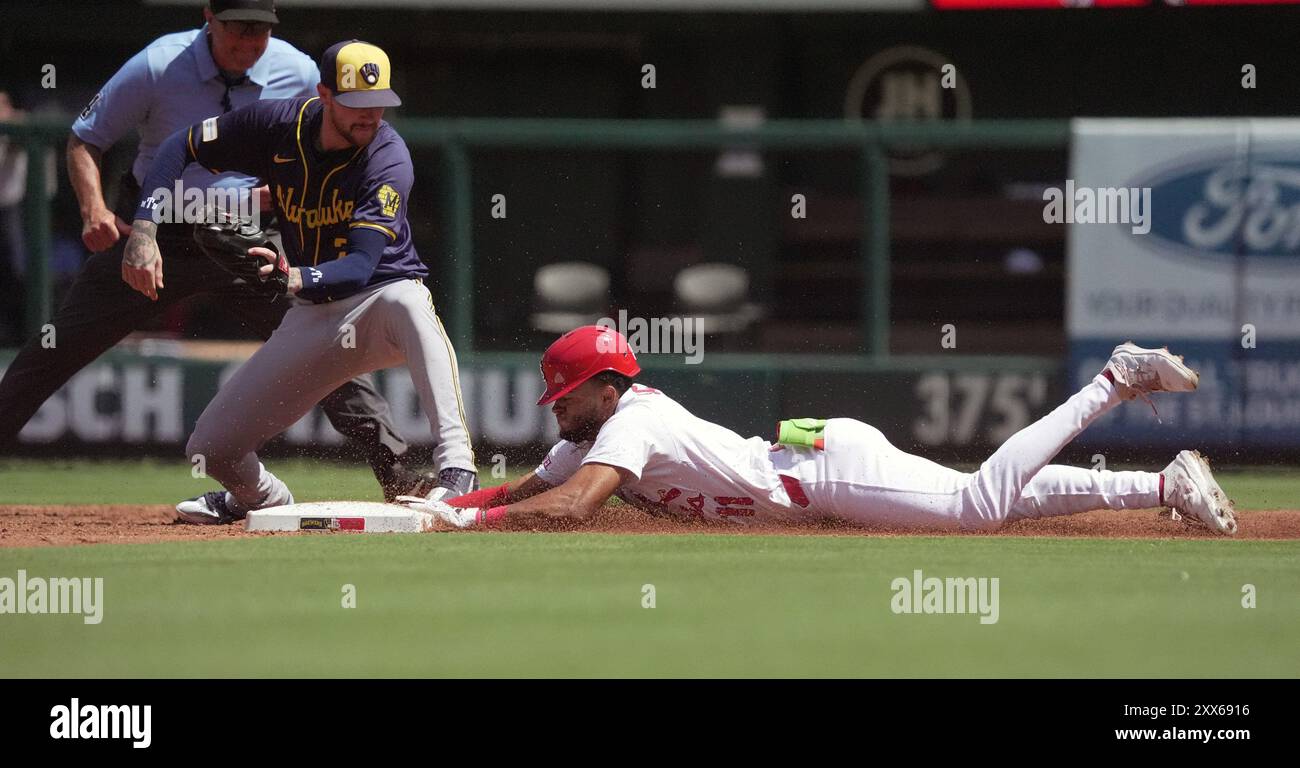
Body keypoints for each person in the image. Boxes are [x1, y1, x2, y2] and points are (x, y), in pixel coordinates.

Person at [0, 1, 449, 504]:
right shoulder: (158, 63)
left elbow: (326, 150)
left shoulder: (298, 69)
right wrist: (95, 210)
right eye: (238, 27)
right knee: (58, 344)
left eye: (260, 29)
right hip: (161, 229)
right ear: (209, 17)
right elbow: (86, 138)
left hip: (249, 238)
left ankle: (397, 474)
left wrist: (294, 202)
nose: (249, 41)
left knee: (330, 341)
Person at [409, 326, 1238, 536]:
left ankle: (1112, 379)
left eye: (564, 396)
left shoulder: (636, 420)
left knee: (977, 509)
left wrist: (475, 524)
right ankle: (1162, 485)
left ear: (602, 387)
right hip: (809, 461)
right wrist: (451, 502)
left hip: (823, 474)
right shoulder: (587, 437)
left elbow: (573, 509)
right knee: (980, 500)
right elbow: (531, 488)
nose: (555, 408)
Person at [122, 39, 477, 523]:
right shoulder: (276, 124)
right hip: (313, 313)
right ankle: (260, 499)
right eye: (356, 104)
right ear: (324, 94)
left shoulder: (388, 158)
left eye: (379, 104)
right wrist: (145, 229)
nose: (369, 116)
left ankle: (457, 468)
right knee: (211, 447)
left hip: (378, 300)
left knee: (411, 303)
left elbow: (361, 264)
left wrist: (290, 276)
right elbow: (176, 147)